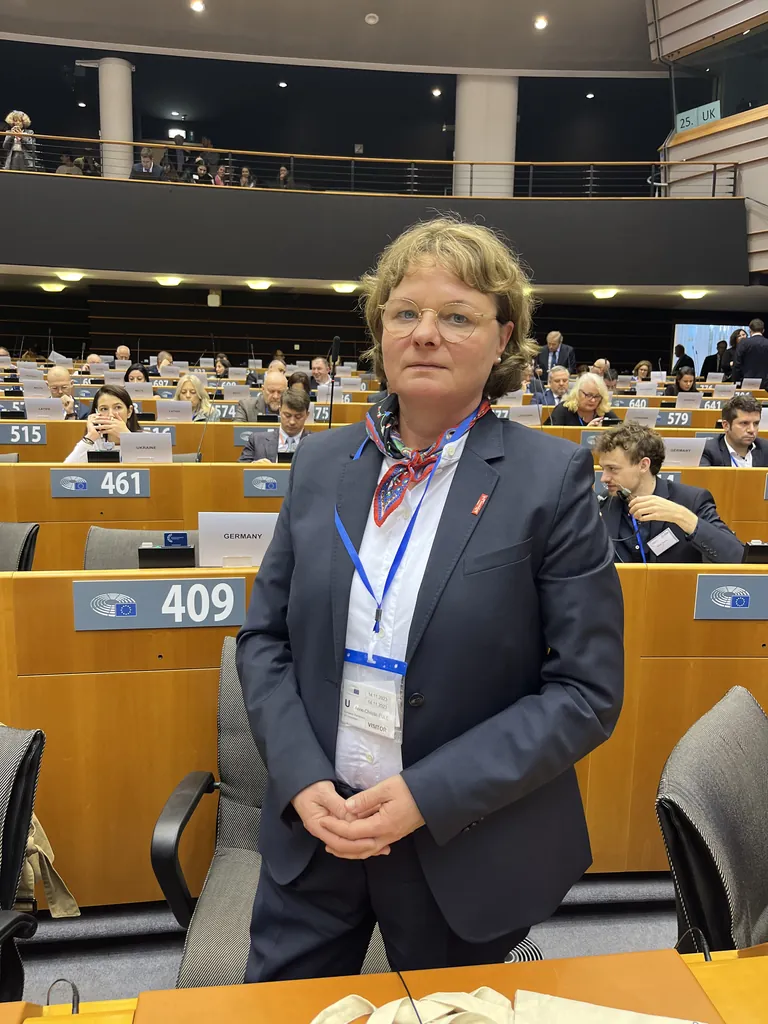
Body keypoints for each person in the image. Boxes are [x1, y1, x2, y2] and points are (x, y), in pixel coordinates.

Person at [236, 216, 623, 982]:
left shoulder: (551, 481)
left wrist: (425, 794)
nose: (425, 334)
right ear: (381, 328)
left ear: (503, 338)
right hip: (319, 833)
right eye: (405, 312)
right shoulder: (319, 463)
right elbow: (264, 642)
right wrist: (303, 776)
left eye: (457, 316)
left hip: (462, 841)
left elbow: (585, 692)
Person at [595, 423, 744, 564]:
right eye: (603, 468)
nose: (604, 478)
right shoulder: (601, 505)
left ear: (643, 465)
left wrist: (683, 517)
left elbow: (737, 556)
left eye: (612, 469)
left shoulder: (691, 500)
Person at [63, 385, 143, 463]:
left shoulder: (145, 439)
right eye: (104, 409)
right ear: (96, 413)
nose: (111, 414)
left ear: (129, 411)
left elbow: (151, 472)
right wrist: (90, 437)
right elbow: (65, 471)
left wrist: (127, 437)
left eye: (118, 407)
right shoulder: (93, 442)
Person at [238, 389, 310, 463]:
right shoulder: (256, 440)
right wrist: (254, 466)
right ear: (280, 411)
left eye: (298, 417)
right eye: (287, 415)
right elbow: (239, 470)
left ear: (307, 415)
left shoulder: (318, 444)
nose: (292, 422)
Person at [700, 395, 768, 467]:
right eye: (744, 423)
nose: (752, 430)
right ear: (726, 425)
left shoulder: (765, 448)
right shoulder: (707, 451)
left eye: (756, 423)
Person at [544, 372, 618, 427]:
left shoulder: (604, 411)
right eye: (588, 395)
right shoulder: (562, 410)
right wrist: (586, 432)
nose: (593, 400)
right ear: (577, 393)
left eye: (597, 396)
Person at [731, 318, 768, 387]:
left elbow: (737, 364)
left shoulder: (743, 343)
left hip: (746, 382)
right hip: (765, 384)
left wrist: (737, 382)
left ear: (750, 330)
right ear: (763, 330)